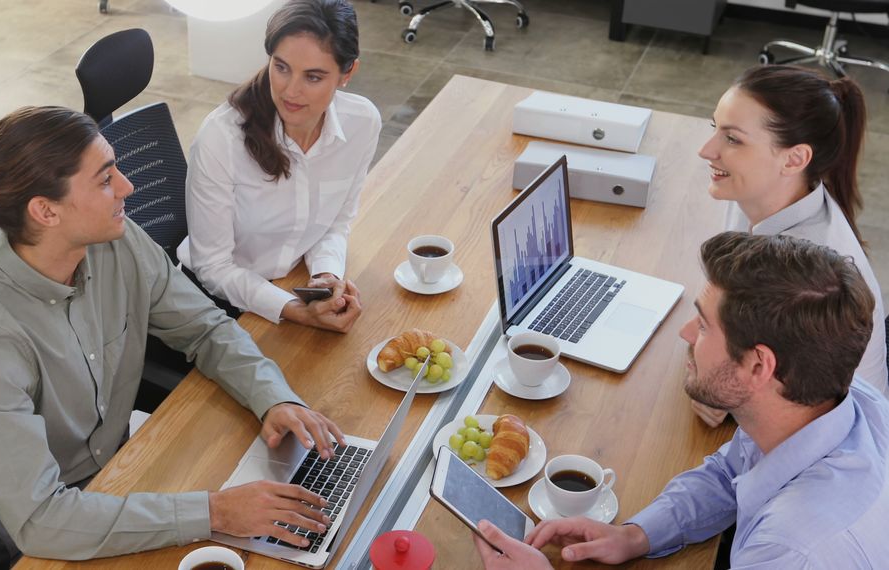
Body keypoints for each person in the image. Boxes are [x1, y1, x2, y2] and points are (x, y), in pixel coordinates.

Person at [0, 106, 347, 566]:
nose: (127, 187)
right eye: (105, 180)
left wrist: (273, 397)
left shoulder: (114, 243)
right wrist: (216, 511)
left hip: (114, 474)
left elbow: (204, 328)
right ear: (45, 211)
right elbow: (42, 519)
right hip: (19, 526)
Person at [473, 232, 889, 569]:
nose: (686, 333)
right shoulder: (827, 400)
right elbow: (730, 474)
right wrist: (637, 535)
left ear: (759, 366)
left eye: (705, 326)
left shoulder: (793, 552)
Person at [694, 64, 886, 427]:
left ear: (795, 159)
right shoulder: (759, 197)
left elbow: (780, 403)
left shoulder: (806, 270)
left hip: (830, 442)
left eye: (733, 139)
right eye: (714, 128)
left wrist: (724, 396)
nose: (707, 150)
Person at [178, 0, 381, 333]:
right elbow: (213, 267)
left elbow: (335, 223)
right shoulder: (221, 138)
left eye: (313, 77)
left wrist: (326, 276)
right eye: (281, 66)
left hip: (294, 282)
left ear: (347, 74)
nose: (290, 90)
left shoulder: (362, 123)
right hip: (215, 300)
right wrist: (295, 310)